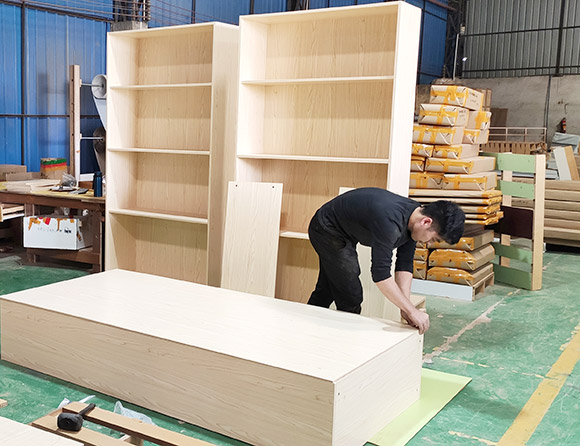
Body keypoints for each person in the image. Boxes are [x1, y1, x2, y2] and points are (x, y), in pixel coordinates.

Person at [307, 187, 465, 334]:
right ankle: (346, 341)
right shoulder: (390, 221)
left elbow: (404, 265)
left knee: (327, 289)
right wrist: (411, 311)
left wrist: (406, 308)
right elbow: (380, 275)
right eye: (434, 239)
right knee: (350, 295)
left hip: (344, 231)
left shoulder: (414, 219)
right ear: (426, 222)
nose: (428, 244)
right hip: (326, 228)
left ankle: (308, 331)